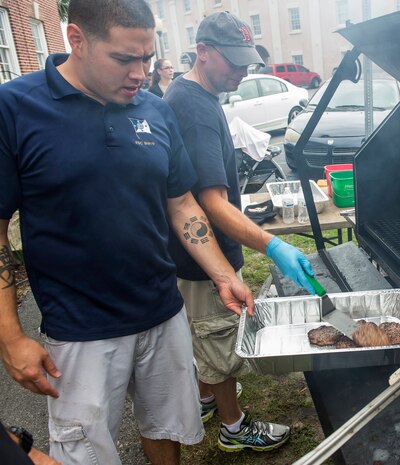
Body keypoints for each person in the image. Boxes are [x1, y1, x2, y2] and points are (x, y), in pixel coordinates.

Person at [0, 1, 255, 464]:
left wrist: (221, 274)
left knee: (165, 427)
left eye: (146, 57)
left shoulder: (156, 111)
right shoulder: (16, 107)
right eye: (123, 59)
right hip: (79, 330)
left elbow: (180, 203)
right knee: (84, 453)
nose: (140, 72)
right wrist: (10, 336)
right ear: (76, 40)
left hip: (161, 311)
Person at [164, 11, 316, 453]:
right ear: (204, 52)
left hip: (191, 255)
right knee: (218, 338)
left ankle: (206, 399)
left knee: (204, 335)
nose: (242, 72)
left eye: (246, 62)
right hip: (202, 258)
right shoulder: (192, 107)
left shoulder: (197, 95)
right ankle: (233, 425)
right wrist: (272, 243)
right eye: (233, 62)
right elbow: (210, 202)